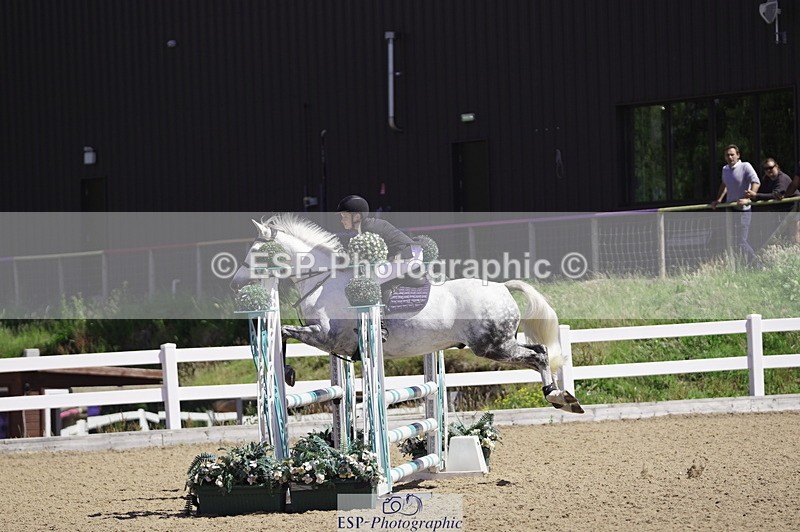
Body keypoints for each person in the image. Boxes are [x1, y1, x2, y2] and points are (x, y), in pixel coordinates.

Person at [336, 194, 425, 340]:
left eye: (344, 216)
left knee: (368, 282)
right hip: (404, 255)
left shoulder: (368, 228)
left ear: (357, 217)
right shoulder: (364, 228)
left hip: (408, 256)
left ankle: (380, 326)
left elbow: (366, 259)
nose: (342, 220)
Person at [710, 145, 761, 266]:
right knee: (732, 240)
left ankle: (759, 265)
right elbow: (725, 185)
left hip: (744, 210)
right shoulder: (725, 169)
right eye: (727, 155)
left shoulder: (745, 166)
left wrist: (748, 199)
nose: (730, 157)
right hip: (731, 209)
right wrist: (718, 200)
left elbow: (756, 182)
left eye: (732, 154)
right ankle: (741, 266)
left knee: (741, 241)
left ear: (738, 155)